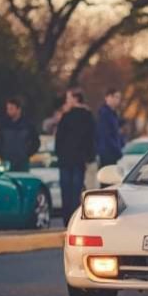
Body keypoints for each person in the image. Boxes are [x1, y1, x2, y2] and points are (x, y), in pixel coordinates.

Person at [55, 88, 96, 225]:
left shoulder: (66, 116)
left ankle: (67, 220)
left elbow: (59, 138)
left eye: (68, 98)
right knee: (76, 190)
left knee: (66, 190)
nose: (67, 101)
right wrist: (89, 157)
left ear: (75, 99)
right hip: (79, 159)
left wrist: (59, 155)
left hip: (66, 160)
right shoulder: (87, 116)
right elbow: (91, 138)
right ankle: (74, 219)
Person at [0, 97, 39, 171]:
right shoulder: (2, 125)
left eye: (11, 108)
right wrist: (0, 153)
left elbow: (35, 142)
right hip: (6, 161)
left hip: (22, 163)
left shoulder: (28, 125)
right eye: (7, 108)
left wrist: (27, 154)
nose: (8, 111)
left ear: (19, 110)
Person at [96, 87, 124, 166]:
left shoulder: (113, 113)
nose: (118, 100)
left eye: (119, 97)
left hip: (111, 152)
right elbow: (106, 135)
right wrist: (116, 149)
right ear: (108, 97)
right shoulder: (104, 113)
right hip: (107, 152)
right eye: (116, 97)